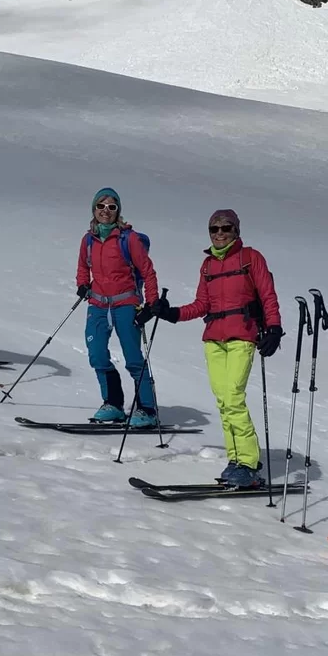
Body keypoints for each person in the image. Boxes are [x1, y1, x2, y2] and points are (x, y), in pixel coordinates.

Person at [147, 209, 283, 488]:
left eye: (226, 228)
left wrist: (274, 329)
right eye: (214, 229)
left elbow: (268, 295)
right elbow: (202, 305)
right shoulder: (208, 265)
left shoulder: (250, 258)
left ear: (236, 230)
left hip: (242, 337)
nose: (220, 233)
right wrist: (171, 313)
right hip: (213, 340)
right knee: (223, 401)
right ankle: (235, 460)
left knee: (233, 397)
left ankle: (248, 463)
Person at [76, 187, 160, 426]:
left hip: (125, 304)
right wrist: (82, 284)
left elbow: (148, 271)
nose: (106, 211)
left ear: (118, 210)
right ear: (94, 209)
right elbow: (83, 266)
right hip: (98, 304)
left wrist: (151, 303)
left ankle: (147, 409)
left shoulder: (128, 238)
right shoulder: (88, 240)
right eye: (101, 206)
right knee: (97, 354)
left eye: (111, 207)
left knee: (133, 357)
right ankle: (113, 404)